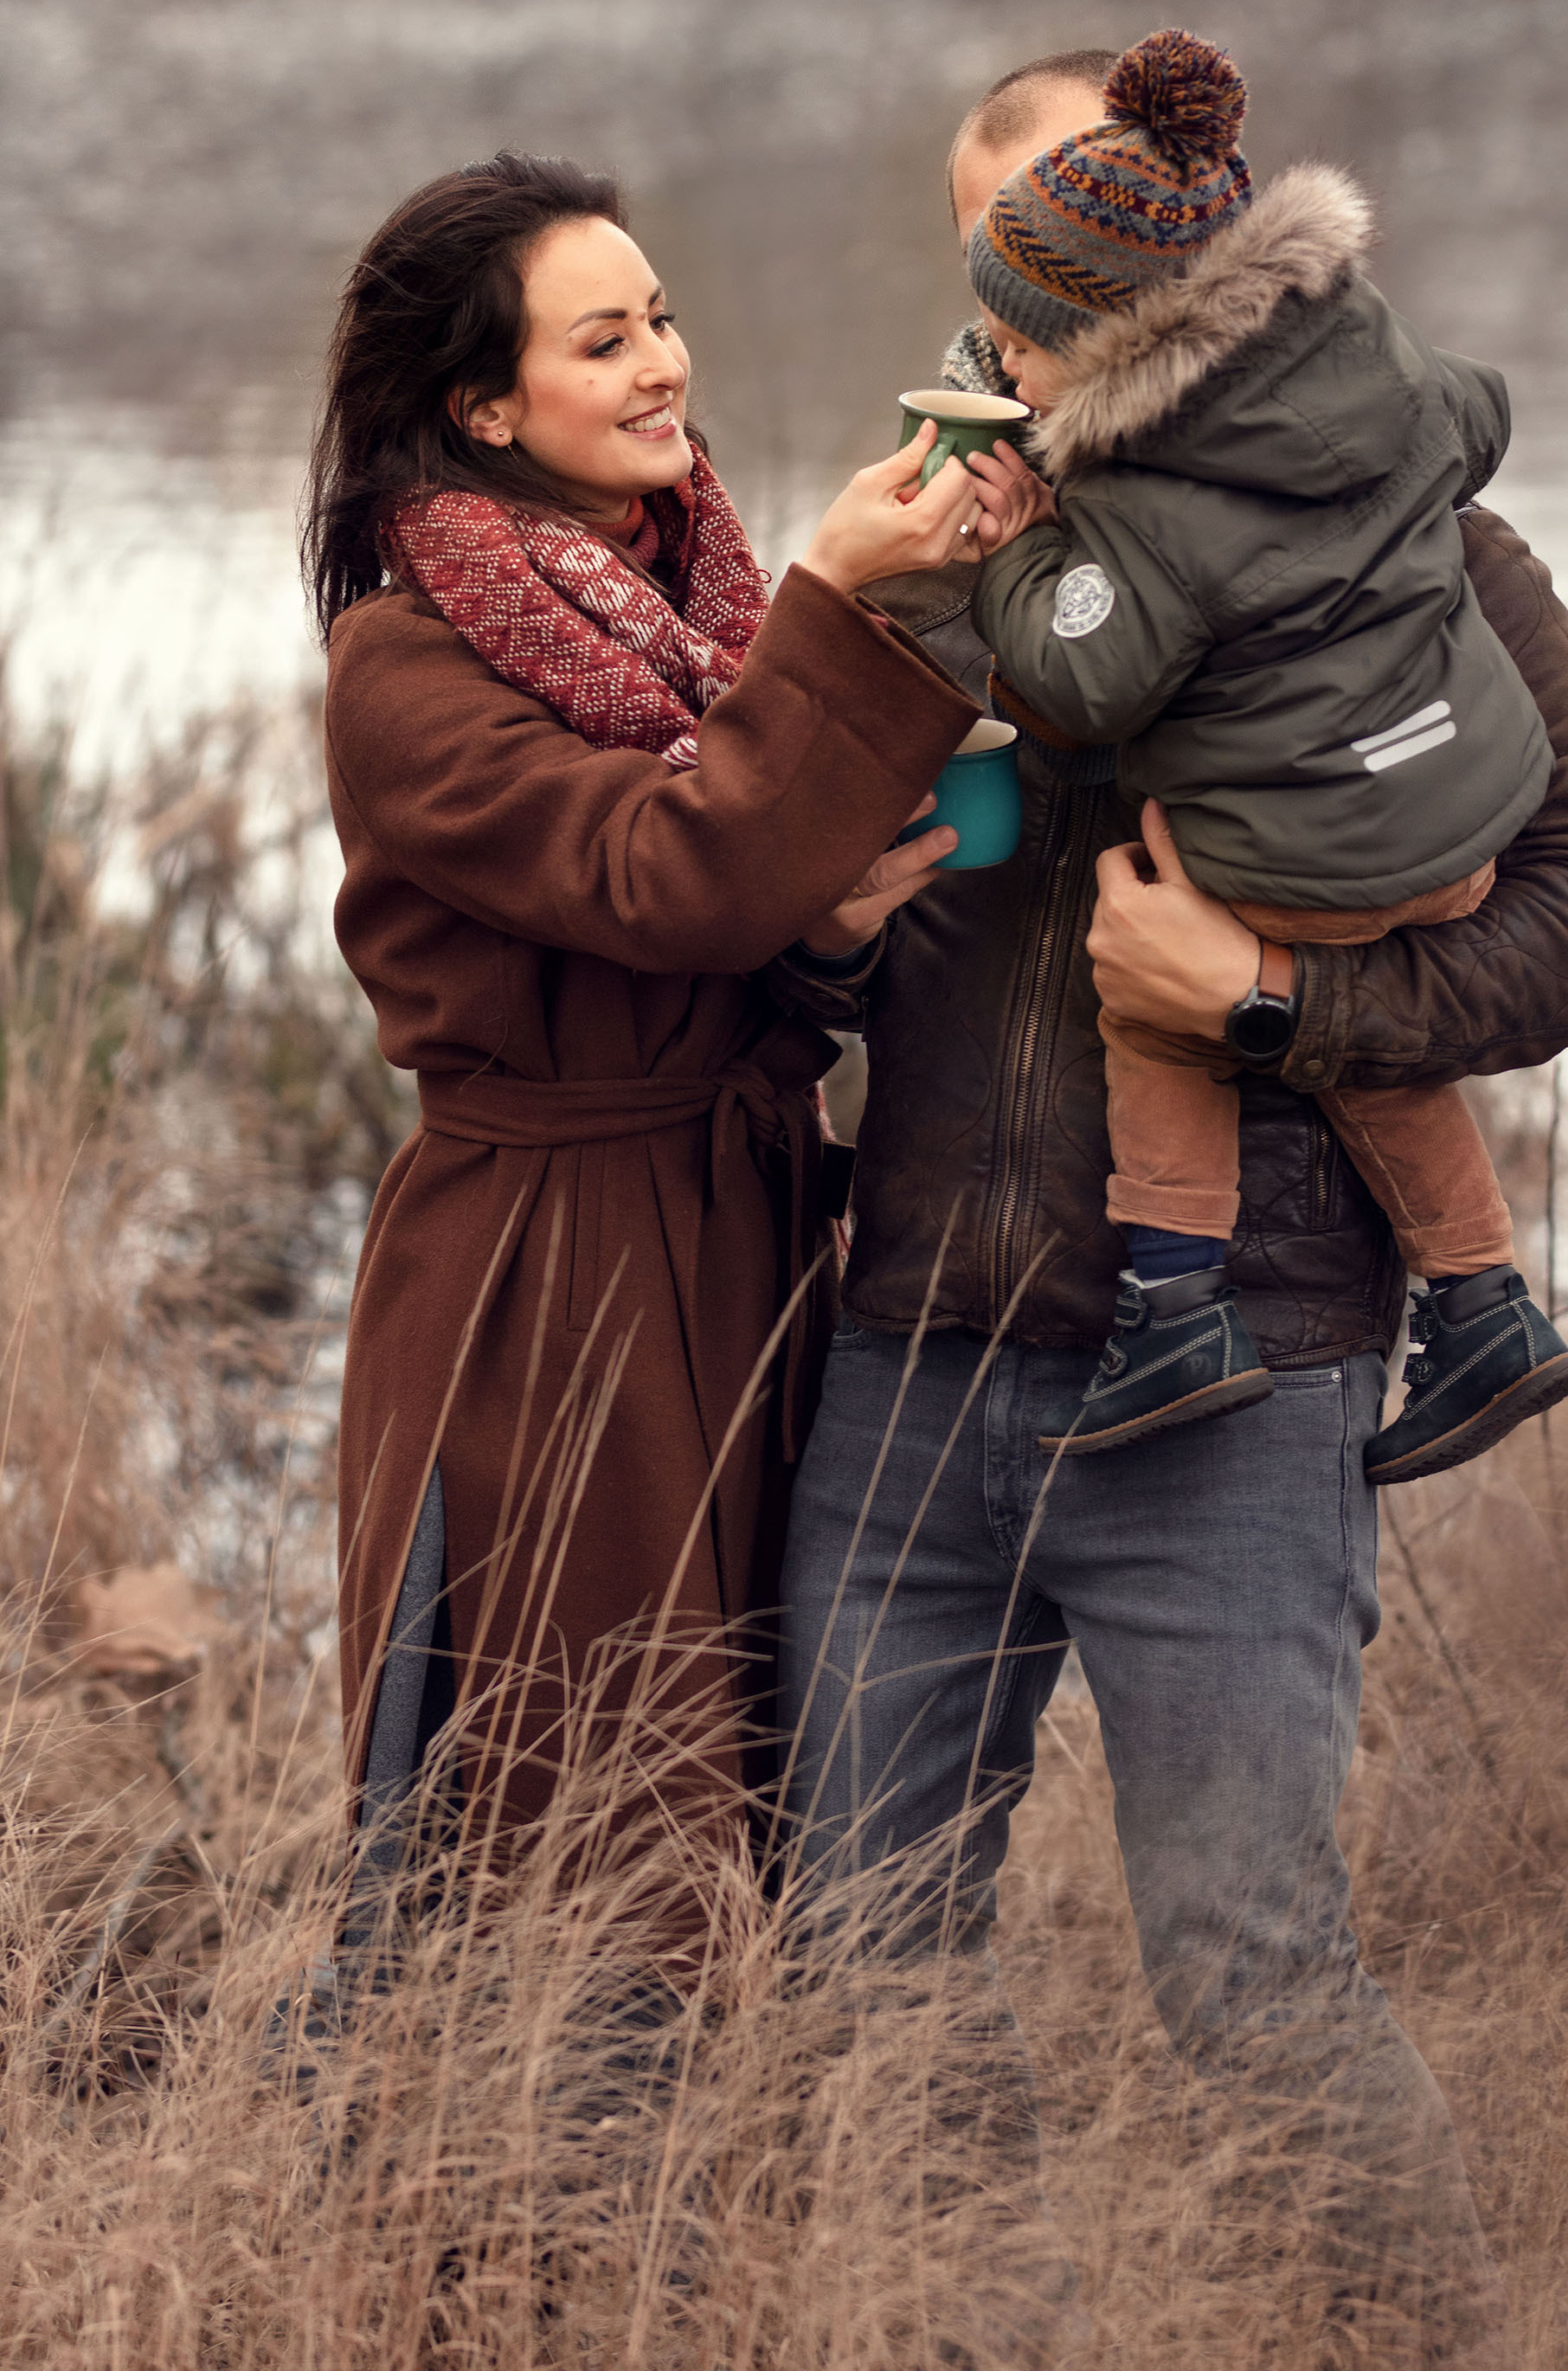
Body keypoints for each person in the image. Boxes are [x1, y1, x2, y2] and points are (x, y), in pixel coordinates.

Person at [778, 53, 1568, 2358]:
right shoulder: (927, 547)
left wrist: (1272, 1003)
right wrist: (828, 848)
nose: (1002, 359)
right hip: (911, 1361)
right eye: (980, 298)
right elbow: (767, 910)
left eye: (1039, 301)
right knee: (867, 1954)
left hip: (1239, 1379)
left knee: (1251, 1966)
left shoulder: (1421, 554)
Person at [305, 148, 985, 1959]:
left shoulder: (692, 618)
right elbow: (669, 874)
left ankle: (729, 2208)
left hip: (743, 1237)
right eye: (601, 342)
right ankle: (514, 2221)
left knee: (774, 1782)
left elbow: (742, 906)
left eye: (661, 319)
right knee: (583, 1806)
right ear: (483, 404)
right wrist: (845, 605)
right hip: (549, 1277)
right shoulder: (407, 661)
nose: (661, 365)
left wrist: (829, 940)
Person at [964, 27, 1568, 1475]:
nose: (997, 359)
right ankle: (1486, 1301)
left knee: (1164, 1006)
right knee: (1362, 1048)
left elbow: (1083, 679)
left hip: (1313, 853)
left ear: (1116, 346)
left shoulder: (1148, 502)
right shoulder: (1384, 364)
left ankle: (1176, 1306)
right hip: (1467, 813)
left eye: (1018, 339)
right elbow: (1478, 414)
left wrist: (1011, 558)